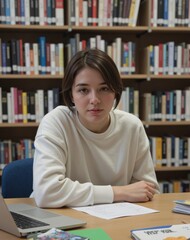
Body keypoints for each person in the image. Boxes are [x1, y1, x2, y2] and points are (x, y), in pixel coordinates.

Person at [32, 48, 160, 208]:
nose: (94, 99)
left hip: (117, 220)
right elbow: (47, 192)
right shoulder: (56, 122)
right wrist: (119, 192)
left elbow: (147, 190)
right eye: (83, 90)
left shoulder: (132, 126)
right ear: (71, 94)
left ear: (115, 91)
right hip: (61, 220)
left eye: (104, 88)